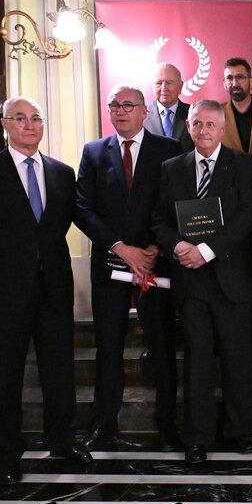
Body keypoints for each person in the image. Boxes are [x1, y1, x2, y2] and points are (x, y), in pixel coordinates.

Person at [0, 96, 92, 486]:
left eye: (36, 118)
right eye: (20, 118)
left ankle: (62, 439)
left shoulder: (62, 173)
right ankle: (8, 456)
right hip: (3, 293)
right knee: (6, 377)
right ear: (5, 126)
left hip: (53, 290)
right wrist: (7, 264)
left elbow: (77, 219)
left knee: (59, 370)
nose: (30, 125)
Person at [151, 99, 252, 465]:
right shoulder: (171, 168)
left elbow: (246, 218)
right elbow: (159, 220)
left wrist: (208, 250)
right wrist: (179, 245)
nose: (203, 131)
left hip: (232, 278)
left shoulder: (243, 165)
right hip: (190, 280)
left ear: (222, 128)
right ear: (188, 126)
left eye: (211, 125)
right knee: (196, 361)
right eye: (196, 124)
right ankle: (197, 437)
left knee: (237, 358)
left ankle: (240, 430)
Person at [75, 85, 182, 452]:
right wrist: (122, 249)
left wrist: (153, 248)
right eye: (114, 106)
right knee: (108, 348)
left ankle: (167, 424)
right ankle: (105, 424)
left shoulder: (168, 150)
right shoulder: (93, 152)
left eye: (128, 105)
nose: (120, 111)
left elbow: (177, 204)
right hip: (110, 263)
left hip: (155, 264)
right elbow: (82, 208)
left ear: (143, 111)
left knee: (162, 345)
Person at [144, 62, 192, 152]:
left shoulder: (193, 113)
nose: (163, 88)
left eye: (169, 83)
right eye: (158, 83)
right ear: (152, 86)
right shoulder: (141, 113)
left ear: (180, 86)